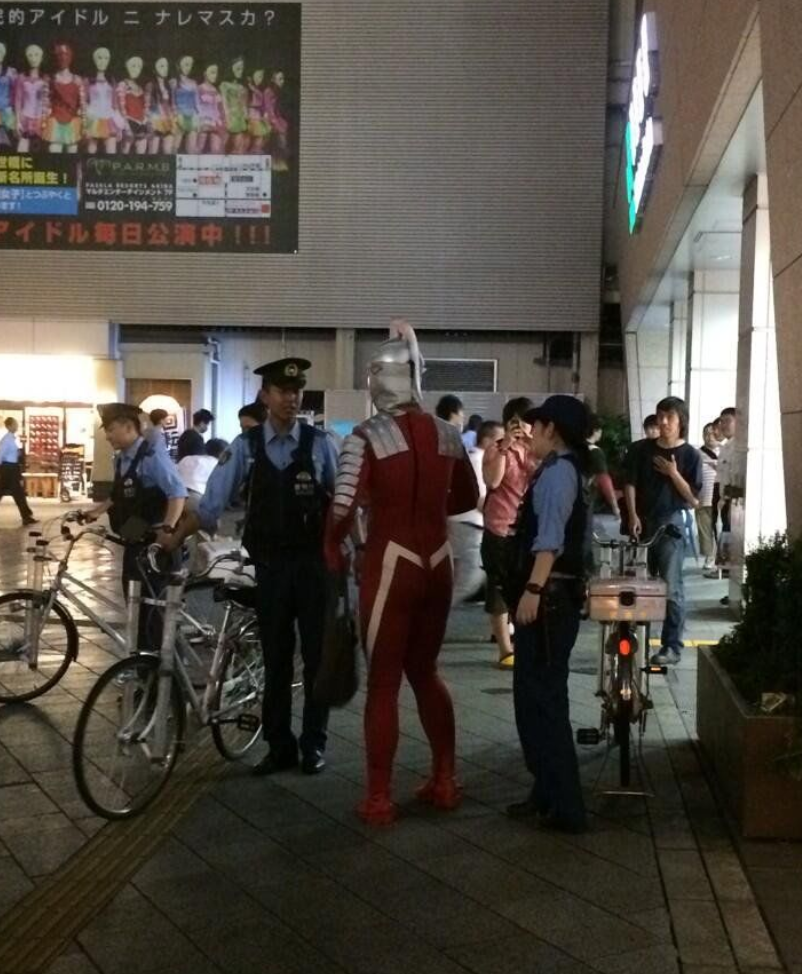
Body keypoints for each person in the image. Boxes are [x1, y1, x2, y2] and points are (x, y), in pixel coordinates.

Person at [325, 321, 479, 825]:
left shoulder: (366, 437)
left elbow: (342, 507)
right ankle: (445, 779)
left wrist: (332, 547)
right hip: (437, 561)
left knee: (384, 683)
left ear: (377, 379)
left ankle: (378, 796)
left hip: (390, 562)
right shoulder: (447, 434)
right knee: (426, 672)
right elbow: (468, 498)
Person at [165, 358, 338, 777]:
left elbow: (341, 505)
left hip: (314, 568)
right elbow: (210, 507)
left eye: (296, 390)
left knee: (317, 660)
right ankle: (279, 746)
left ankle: (314, 744)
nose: (291, 398)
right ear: (266, 396)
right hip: (270, 569)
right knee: (275, 659)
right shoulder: (245, 448)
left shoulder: (321, 444)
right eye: (283, 391)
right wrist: (174, 535)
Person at [505, 395, 591, 834]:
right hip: (556, 598)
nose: (530, 433)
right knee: (536, 699)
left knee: (543, 702)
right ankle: (546, 792)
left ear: (551, 429)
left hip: (550, 598)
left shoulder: (559, 473)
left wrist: (534, 589)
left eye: (536, 426)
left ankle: (566, 806)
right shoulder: (563, 469)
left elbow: (550, 540)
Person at [85, 404, 186, 649]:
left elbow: (177, 493)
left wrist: (168, 529)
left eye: (111, 429)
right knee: (135, 605)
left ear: (129, 427)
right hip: (134, 539)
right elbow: (119, 494)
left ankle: (163, 666)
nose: (107, 436)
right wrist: (97, 511)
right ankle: (142, 661)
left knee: (154, 611)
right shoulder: (121, 458)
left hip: (155, 546)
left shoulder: (152, 457)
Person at [624, 397, 702, 666]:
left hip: (672, 525)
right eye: (660, 416)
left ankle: (671, 646)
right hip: (642, 523)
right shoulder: (640, 450)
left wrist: (673, 473)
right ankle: (633, 639)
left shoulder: (690, 455)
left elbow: (694, 499)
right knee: (636, 584)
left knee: (671, 587)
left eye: (670, 417)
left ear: (681, 421)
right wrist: (632, 514)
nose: (663, 421)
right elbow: (630, 483)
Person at [481, 397, 537, 668]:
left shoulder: (535, 450)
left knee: (524, 586)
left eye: (526, 421)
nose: (521, 426)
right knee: (499, 588)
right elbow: (493, 481)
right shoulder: (495, 449)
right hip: (500, 527)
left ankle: (522, 642)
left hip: (527, 530)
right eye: (515, 421)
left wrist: (530, 445)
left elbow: (539, 477)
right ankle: (505, 649)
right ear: (506, 423)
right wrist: (505, 447)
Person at [450, 420, 502, 605]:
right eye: (499, 441)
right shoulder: (479, 460)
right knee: (468, 580)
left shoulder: (471, 457)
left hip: (460, 523)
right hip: (470, 525)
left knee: (460, 578)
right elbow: (481, 500)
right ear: (487, 440)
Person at [619, 414, 661, 536]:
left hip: (658, 501)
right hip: (639, 496)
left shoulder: (667, 447)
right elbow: (629, 478)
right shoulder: (636, 448)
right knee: (638, 534)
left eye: (656, 428)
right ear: (645, 429)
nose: (653, 431)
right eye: (650, 428)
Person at [0, 418, 37, 526]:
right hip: (8, 469)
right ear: (9, 426)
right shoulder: (6, 440)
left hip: (12, 468)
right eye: (15, 424)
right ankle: (26, 516)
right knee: (17, 492)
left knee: (18, 493)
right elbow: (1, 454)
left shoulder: (12, 438)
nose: (17, 426)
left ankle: (26, 516)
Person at [177, 438, 228, 510]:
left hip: (176, 497)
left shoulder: (187, 458)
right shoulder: (217, 465)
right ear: (221, 453)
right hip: (197, 498)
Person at [698, 422, 720, 576]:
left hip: (719, 498)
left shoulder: (725, 451)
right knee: (705, 531)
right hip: (702, 498)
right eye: (706, 433)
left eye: (712, 433)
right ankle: (709, 557)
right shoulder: (697, 454)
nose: (709, 436)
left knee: (719, 530)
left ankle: (719, 557)